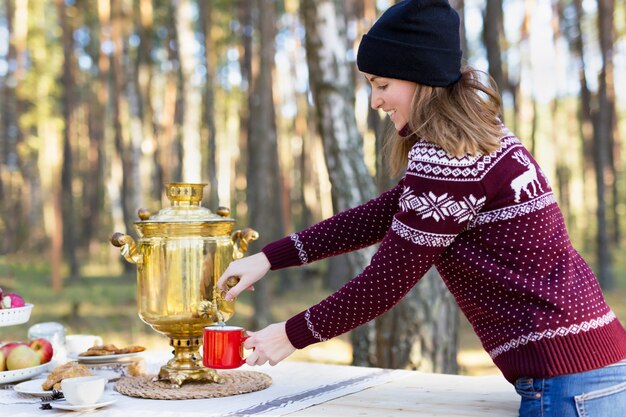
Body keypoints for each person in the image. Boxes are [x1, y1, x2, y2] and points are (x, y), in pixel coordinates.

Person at [217, 0, 626, 415]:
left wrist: (288, 335)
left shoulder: (451, 160)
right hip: (590, 364)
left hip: (566, 381)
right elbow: (381, 215)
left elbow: (386, 281)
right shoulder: (477, 141)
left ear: (420, 78)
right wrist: (269, 258)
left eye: (382, 84)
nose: (376, 101)